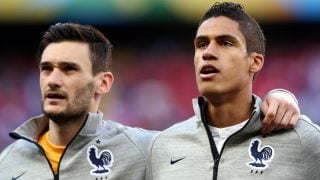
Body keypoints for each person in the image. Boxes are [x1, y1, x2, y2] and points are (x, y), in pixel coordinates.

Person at [0, 22, 299, 179]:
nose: (53, 79)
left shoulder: (146, 149)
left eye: (69, 69)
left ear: (103, 83)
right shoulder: (9, 160)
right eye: (46, 69)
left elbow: (227, 144)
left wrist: (279, 98)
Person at [147, 2, 320, 180]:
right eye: (201, 44)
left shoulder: (302, 140)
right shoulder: (162, 146)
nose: (208, 52)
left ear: (255, 62)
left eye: (225, 43)